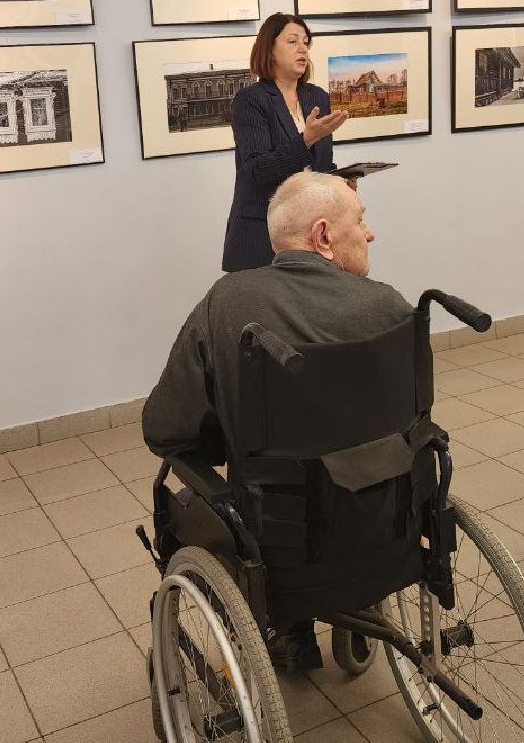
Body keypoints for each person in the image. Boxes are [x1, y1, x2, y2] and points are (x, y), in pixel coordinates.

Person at [145, 171, 413, 670]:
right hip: (388, 520)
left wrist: (228, 435)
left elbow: (165, 427)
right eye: (361, 219)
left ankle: (293, 635)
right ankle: (353, 599)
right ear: (324, 237)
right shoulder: (391, 306)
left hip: (280, 539)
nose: (370, 232)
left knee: (262, 486)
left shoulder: (228, 303)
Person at [222, 13, 348, 272]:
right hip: (261, 232)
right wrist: (307, 140)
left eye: (305, 42)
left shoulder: (317, 97)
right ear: (269, 50)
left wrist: (341, 181)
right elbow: (258, 170)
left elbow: (320, 165)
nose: (303, 48)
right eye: (292, 41)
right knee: (261, 312)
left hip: (310, 231)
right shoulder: (250, 100)